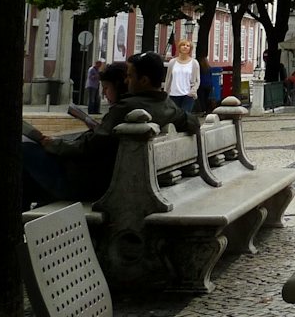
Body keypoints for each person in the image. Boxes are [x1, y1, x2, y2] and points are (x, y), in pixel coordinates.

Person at [20, 52, 194, 207]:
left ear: (144, 80)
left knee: (23, 151)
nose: (126, 81)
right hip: (122, 179)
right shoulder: (168, 106)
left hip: (93, 182)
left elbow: (90, 147)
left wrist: (52, 144)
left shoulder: (127, 108)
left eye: (130, 76)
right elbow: (193, 122)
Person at [167, 39, 201, 115]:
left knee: (184, 116)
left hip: (187, 95)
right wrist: (166, 92)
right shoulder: (172, 62)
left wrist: (193, 91)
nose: (185, 47)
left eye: (187, 46)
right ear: (179, 47)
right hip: (173, 95)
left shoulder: (194, 63)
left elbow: (197, 80)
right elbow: (168, 78)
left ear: (190, 49)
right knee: (174, 117)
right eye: (183, 45)